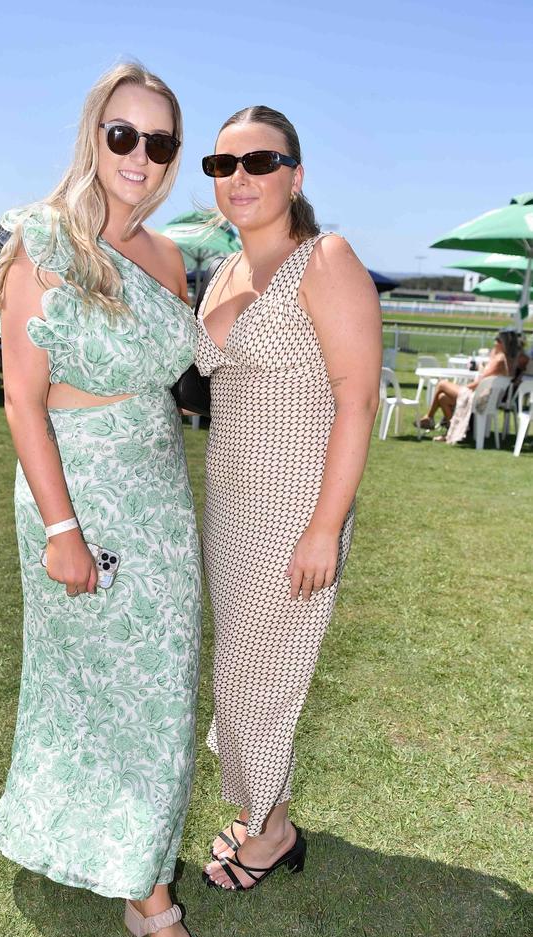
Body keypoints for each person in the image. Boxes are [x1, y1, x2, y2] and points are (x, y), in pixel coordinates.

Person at [0, 63, 204, 937]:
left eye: (159, 143)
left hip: (162, 501)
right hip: (78, 500)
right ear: (93, 136)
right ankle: (152, 898)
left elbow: (188, 379)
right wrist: (63, 530)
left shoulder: (169, 258)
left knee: (163, 694)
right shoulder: (43, 240)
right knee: (100, 696)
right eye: (124, 135)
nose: (140, 157)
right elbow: (23, 402)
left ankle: (135, 859)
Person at [195, 106, 382, 891]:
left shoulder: (325, 259)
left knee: (256, 677)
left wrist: (324, 527)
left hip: (293, 510)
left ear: (295, 175)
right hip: (229, 506)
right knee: (237, 670)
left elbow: (357, 398)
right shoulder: (225, 271)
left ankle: (271, 834)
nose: (241, 178)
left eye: (260, 162)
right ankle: (258, 809)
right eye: (223, 164)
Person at [415, 332, 511, 431]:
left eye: (498, 340)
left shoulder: (499, 360)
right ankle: (453, 431)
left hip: (479, 398)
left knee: (442, 384)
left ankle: (429, 417)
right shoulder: (501, 359)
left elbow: (482, 381)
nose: (495, 342)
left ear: (503, 344)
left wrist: (465, 387)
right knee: (442, 397)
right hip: (482, 396)